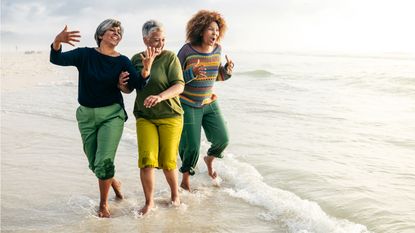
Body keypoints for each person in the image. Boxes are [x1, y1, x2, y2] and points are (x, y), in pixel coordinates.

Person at [49, 19, 149, 218]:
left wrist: (146, 69)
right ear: (100, 35)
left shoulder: (122, 61)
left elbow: (137, 84)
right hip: (86, 115)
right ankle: (114, 181)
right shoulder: (85, 54)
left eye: (119, 32)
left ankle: (103, 205)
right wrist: (57, 41)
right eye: (112, 30)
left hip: (112, 115)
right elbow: (56, 59)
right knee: (94, 163)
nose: (116, 33)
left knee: (104, 161)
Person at [118, 20, 184, 215]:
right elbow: (130, 89)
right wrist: (121, 85)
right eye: (156, 40)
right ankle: (149, 203)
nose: (160, 44)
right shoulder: (136, 60)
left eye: (163, 39)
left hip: (170, 115)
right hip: (145, 116)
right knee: (147, 159)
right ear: (145, 39)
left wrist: (160, 96)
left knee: (168, 161)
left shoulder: (170, 58)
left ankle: (175, 195)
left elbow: (179, 85)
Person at [177, 10, 234, 191]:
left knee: (223, 139)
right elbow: (175, 78)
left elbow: (215, 76)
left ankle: (210, 159)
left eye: (217, 30)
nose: (214, 34)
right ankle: (185, 179)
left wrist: (227, 70)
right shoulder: (187, 50)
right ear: (201, 30)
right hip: (188, 103)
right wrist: (191, 74)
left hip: (209, 102)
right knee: (191, 146)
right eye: (210, 30)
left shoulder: (218, 50)